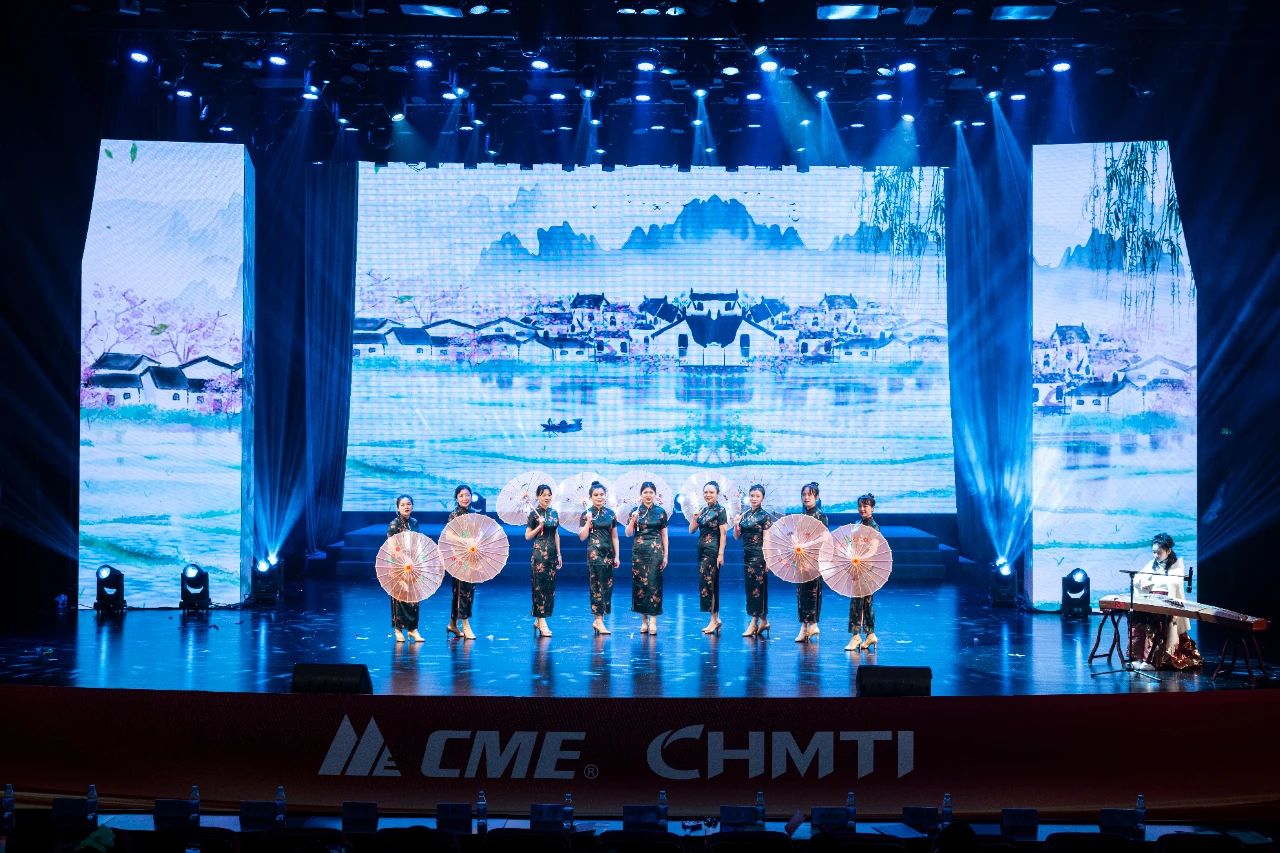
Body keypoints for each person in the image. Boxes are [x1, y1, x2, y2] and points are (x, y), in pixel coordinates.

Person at [1130, 532, 1203, 670]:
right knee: (1137, 618)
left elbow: (1174, 583)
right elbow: (1139, 578)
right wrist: (1143, 582)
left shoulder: (1176, 565)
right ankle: (1137, 657)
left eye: (1159, 552)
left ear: (1168, 551)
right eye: (1154, 552)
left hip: (1167, 602)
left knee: (1154, 621)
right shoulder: (1152, 564)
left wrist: (1154, 581)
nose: (1155, 555)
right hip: (1151, 600)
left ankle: (1151, 660)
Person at [626, 481, 669, 635]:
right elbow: (628, 533)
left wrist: (666, 555)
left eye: (651, 492)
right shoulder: (635, 511)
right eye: (645, 492)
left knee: (654, 584)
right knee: (641, 585)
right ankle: (644, 621)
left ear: (655, 494)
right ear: (641, 494)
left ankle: (654, 621)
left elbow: (664, 535)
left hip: (655, 551)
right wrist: (633, 520)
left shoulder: (661, 512)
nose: (648, 495)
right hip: (639, 552)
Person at [578, 481, 620, 635]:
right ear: (590, 497)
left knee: (607, 586)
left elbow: (614, 537)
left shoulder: (611, 514)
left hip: (608, 553)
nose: (599, 497)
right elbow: (582, 537)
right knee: (596, 585)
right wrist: (588, 522)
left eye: (602, 494)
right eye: (596, 495)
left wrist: (617, 555)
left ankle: (599, 620)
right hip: (594, 553)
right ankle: (598, 620)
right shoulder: (586, 514)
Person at [688, 481, 729, 635]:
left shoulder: (720, 510)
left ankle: (714, 620)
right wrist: (695, 518)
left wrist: (721, 554)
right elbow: (691, 530)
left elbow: (723, 534)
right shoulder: (703, 510)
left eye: (711, 492)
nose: (708, 495)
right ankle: (714, 619)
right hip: (702, 550)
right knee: (706, 583)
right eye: (705, 492)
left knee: (710, 584)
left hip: (713, 551)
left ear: (717, 494)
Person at [735, 484, 772, 637]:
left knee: (757, 589)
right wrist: (736, 524)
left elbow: (767, 539)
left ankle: (753, 622)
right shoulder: (744, 515)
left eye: (757, 496)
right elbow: (737, 537)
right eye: (752, 496)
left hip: (759, 556)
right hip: (747, 555)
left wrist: (768, 559)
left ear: (762, 498)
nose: (754, 499)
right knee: (751, 588)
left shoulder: (765, 516)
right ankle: (764, 621)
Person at [524, 484, 561, 638]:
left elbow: (556, 534)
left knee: (549, 588)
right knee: (539, 588)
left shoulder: (554, 513)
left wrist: (559, 554)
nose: (547, 497)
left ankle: (538, 619)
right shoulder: (534, 514)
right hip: (539, 555)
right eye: (543, 495)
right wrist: (539, 526)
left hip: (552, 555)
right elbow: (527, 536)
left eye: (549, 494)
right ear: (538, 497)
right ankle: (542, 621)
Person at [846, 493, 881, 652]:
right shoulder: (857, 523)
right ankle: (870, 634)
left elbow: (873, 549)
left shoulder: (873, 526)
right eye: (860, 506)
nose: (862, 509)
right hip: (856, 564)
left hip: (866, 568)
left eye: (865, 506)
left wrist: (859, 559)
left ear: (872, 508)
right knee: (865, 602)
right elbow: (851, 543)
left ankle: (855, 636)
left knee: (858, 602)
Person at [387, 494, 424, 643]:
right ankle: (398, 629)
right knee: (400, 596)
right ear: (397, 508)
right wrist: (404, 558)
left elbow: (418, 541)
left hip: (413, 563)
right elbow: (392, 546)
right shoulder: (394, 524)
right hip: (398, 563)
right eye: (402, 505)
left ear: (412, 506)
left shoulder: (414, 522)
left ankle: (413, 629)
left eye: (408, 504)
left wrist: (419, 558)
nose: (406, 507)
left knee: (413, 597)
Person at [446, 484, 478, 641]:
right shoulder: (454, 515)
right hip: (459, 558)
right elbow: (448, 535)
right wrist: (465, 540)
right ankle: (465, 625)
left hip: (471, 555)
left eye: (467, 495)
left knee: (468, 591)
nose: (465, 498)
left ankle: (452, 624)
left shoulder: (474, 514)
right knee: (461, 591)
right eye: (461, 496)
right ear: (456, 498)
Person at [796, 481, 827, 642]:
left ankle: (813, 624)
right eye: (804, 495)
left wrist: (808, 548)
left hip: (814, 558)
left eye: (810, 495)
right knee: (801, 593)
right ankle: (804, 626)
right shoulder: (802, 516)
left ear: (817, 497)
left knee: (813, 592)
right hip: (801, 557)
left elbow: (824, 539)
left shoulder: (820, 516)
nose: (806, 497)